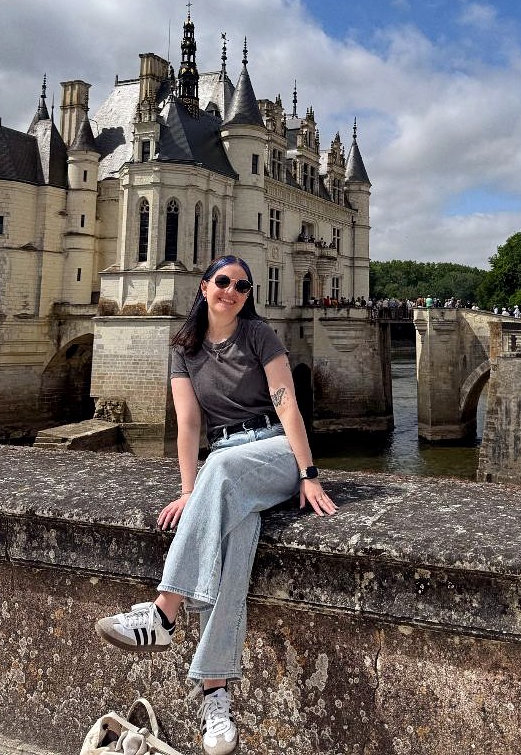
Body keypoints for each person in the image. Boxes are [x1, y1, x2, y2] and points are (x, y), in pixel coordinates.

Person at [95, 255, 337, 755]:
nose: (231, 291)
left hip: (275, 451)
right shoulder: (183, 348)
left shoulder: (259, 336)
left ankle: (163, 613)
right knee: (234, 544)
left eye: (242, 286)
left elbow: (287, 404)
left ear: (248, 295)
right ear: (204, 287)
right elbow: (187, 423)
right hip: (226, 460)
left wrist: (308, 472)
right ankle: (215, 695)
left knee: (221, 471)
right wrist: (189, 491)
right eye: (223, 282)